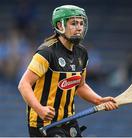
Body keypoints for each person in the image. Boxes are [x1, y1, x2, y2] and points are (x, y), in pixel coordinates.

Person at [18, 5, 118, 137]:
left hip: (68, 121)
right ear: (60, 26)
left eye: (81, 23)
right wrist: (39, 109)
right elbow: (23, 84)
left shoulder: (82, 53)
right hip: (44, 123)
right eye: (74, 23)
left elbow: (80, 86)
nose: (79, 28)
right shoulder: (46, 52)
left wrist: (99, 100)